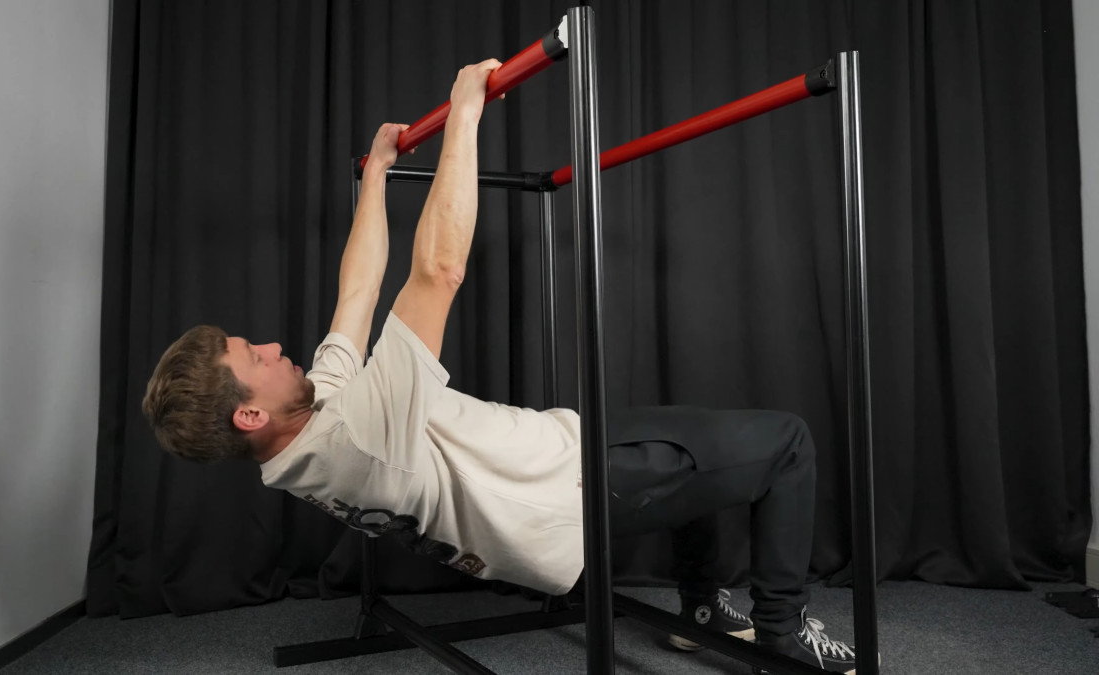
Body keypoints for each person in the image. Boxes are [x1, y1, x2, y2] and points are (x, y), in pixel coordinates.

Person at [141, 59, 863, 673]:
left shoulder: (301, 441)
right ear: (248, 412)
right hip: (572, 489)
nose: (268, 345)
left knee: (696, 433)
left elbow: (357, 294)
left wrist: (380, 177)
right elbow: (440, 270)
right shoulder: (356, 433)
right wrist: (466, 110)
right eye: (253, 356)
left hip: (559, 453)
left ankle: (701, 603)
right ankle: (783, 633)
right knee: (787, 443)